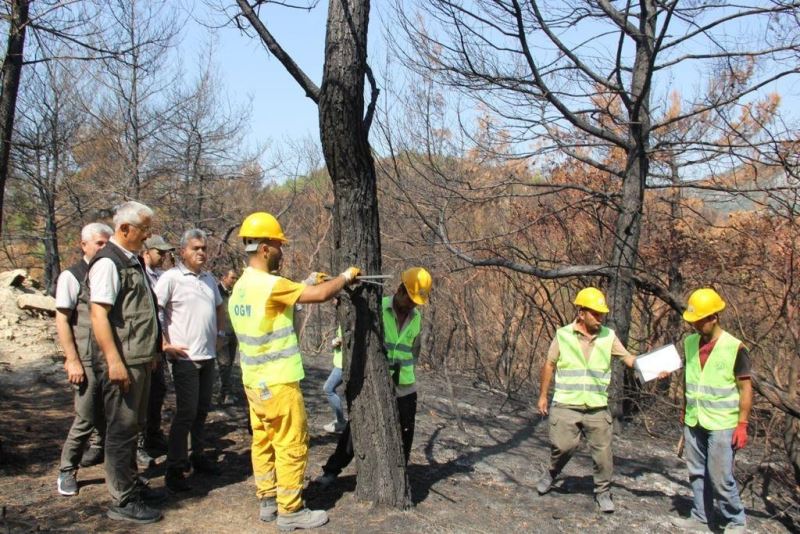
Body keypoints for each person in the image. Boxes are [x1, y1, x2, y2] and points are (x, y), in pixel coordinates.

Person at [228, 211, 360, 531]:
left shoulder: (243, 286)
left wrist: (304, 283)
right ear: (265, 248)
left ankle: (268, 501)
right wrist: (344, 277)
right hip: (278, 380)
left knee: (263, 442)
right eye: (279, 245)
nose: (282, 252)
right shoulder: (271, 284)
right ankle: (291, 510)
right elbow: (320, 295)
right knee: (291, 442)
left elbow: (276, 304)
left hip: (254, 382)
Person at [316, 267, 433, 484]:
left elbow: (414, 350)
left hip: (405, 385)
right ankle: (332, 470)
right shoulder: (377, 307)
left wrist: (407, 372)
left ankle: (399, 476)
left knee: (405, 433)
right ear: (400, 290)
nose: (412, 305)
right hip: (377, 380)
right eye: (410, 299)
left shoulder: (416, 318)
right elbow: (349, 333)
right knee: (357, 428)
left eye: (417, 301)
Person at [89, 201, 163, 524]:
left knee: (135, 426)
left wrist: (152, 353)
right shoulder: (109, 263)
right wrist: (114, 361)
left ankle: (130, 485)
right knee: (121, 428)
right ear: (124, 229)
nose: (148, 236)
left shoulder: (132, 261)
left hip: (140, 360)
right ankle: (122, 499)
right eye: (144, 229)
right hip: (123, 362)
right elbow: (98, 315)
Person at [535, 287, 638, 514]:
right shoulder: (563, 335)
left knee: (603, 453)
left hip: (597, 406)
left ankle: (603, 492)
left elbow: (628, 358)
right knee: (563, 447)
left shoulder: (608, 336)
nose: (600, 318)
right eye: (595, 313)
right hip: (566, 403)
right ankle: (552, 472)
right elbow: (549, 364)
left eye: (602, 314)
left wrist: (651, 366)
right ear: (581, 313)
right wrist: (543, 396)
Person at [671, 288, 751, 533]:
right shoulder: (690, 342)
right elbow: (689, 378)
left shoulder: (735, 348)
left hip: (723, 423)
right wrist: (685, 410)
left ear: (713, 317)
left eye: (699, 321)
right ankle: (701, 516)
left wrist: (742, 424)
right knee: (696, 472)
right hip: (695, 418)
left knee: (720, 476)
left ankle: (735, 520)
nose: (694, 325)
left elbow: (745, 388)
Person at [154, 229, 223, 492]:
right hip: (185, 358)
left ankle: (198, 456)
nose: (202, 252)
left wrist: (219, 333)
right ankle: (174, 467)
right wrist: (163, 344)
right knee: (186, 412)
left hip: (208, 355)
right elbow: (156, 310)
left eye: (204, 248)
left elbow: (218, 307)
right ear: (183, 251)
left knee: (202, 411)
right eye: (196, 248)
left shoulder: (209, 278)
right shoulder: (171, 278)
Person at [55, 222, 113, 496]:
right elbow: (63, 320)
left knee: (115, 419)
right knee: (85, 417)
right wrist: (72, 359)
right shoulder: (72, 276)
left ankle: (118, 472)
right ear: (84, 245)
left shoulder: (110, 271)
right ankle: (67, 470)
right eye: (100, 243)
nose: (105, 248)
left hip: (111, 358)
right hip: (87, 359)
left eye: (107, 243)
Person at [137, 234, 175, 467]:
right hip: (144, 344)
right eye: (159, 252)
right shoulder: (139, 274)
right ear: (147, 251)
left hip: (158, 346)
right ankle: (138, 445)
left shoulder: (161, 276)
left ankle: (153, 434)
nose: (163, 256)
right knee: (141, 396)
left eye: (165, 253)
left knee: (158, 391)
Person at [216, 268, 239, 406]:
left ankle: (223, 393)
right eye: (232, 278)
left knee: (229, 365)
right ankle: (226, 393)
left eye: (236, 278)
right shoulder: (216, 292)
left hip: (233, 333)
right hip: (221, 334)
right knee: (224, 364)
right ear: (224, 277)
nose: (234, 281)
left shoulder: (235, 293)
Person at [321, 324, 346, 433]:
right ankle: (340, 420)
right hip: (340, 362)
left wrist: (341, 340)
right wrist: (336, 342)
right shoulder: (342, 318)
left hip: (343, 364)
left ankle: (341, 422)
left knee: (328, 389)